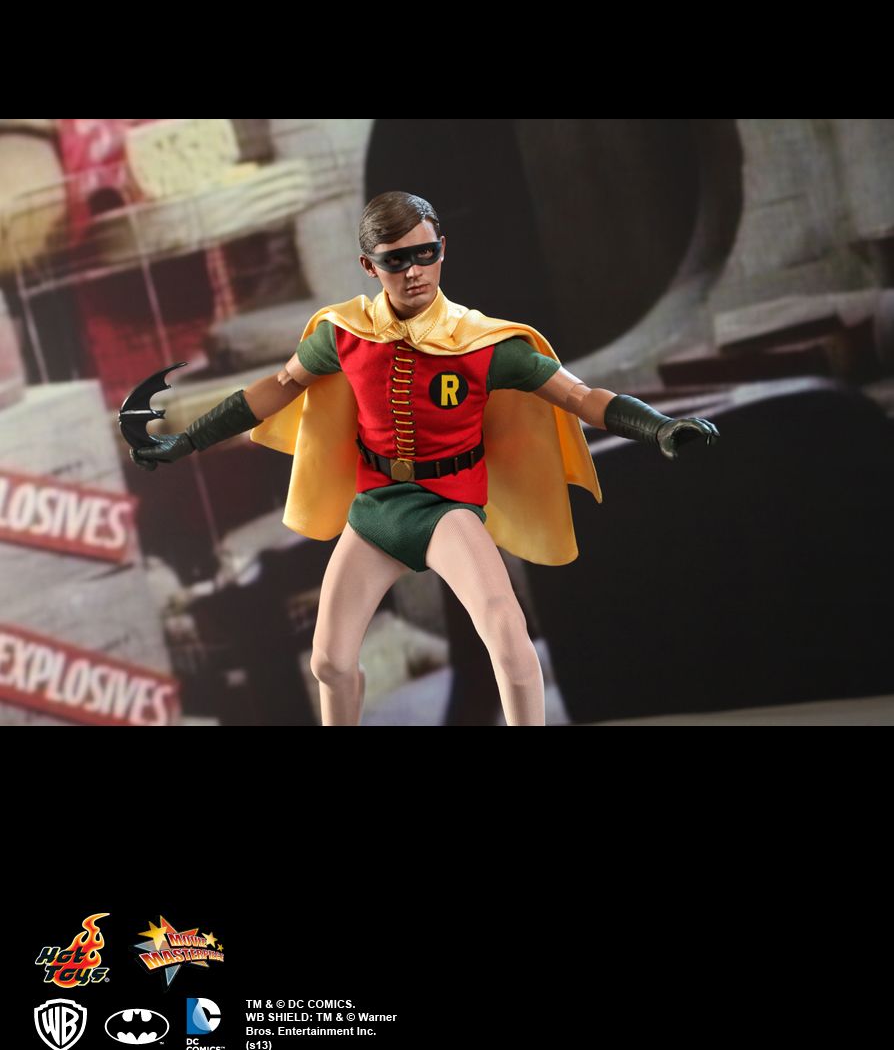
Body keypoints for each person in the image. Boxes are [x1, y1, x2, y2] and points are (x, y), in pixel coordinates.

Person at [131, 191, 719, 727]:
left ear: (442, 250)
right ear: (370, 266)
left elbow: (581, 397)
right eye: (395, 260)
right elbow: (276, 389)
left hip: (448, 508)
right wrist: (186, 441)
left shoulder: (484, 344)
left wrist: (657, 427)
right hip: (376, 509)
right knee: (329, 661)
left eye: (425, 253)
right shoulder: (345, 334)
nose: (413, 271)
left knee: (508, 639)